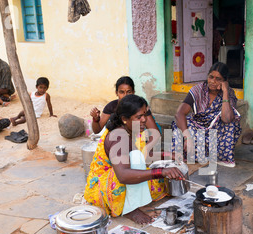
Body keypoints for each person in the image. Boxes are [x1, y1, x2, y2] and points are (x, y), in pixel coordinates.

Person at [84, 94, 184, 224]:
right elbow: (123, 176)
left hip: (122, 174)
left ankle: (137, 203)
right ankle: (130, 209)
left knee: (159, 182)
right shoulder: (118, 136)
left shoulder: (134, 130)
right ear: (125, 119)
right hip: (106, 186)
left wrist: (167, 155)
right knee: (154, 173)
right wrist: (161, 171)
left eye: (145, 114)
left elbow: (144, 154)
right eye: (139, 117)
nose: (144, 119)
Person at [172, 62, 242, 167]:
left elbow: (227, 119)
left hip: (215, 131)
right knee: (180, 124)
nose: (213, 81)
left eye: (218, 79)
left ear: (225, 81)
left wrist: (225, 92)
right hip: (198, 128)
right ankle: (198, 153)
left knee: (232, 124)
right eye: (211, 77)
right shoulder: (198, 90)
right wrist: (187, 137)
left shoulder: (229, 93)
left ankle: (219, 156)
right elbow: (179, 113)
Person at [90, 76, 162, 136]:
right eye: (121, 92)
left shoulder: (140, 106)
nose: (125, 95)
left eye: (129, 92)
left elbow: (155, 134)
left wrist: (145, 149)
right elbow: (97, 131)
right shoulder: (111, 107)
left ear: (133, 92)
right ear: (116, 93)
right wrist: (95, 119)